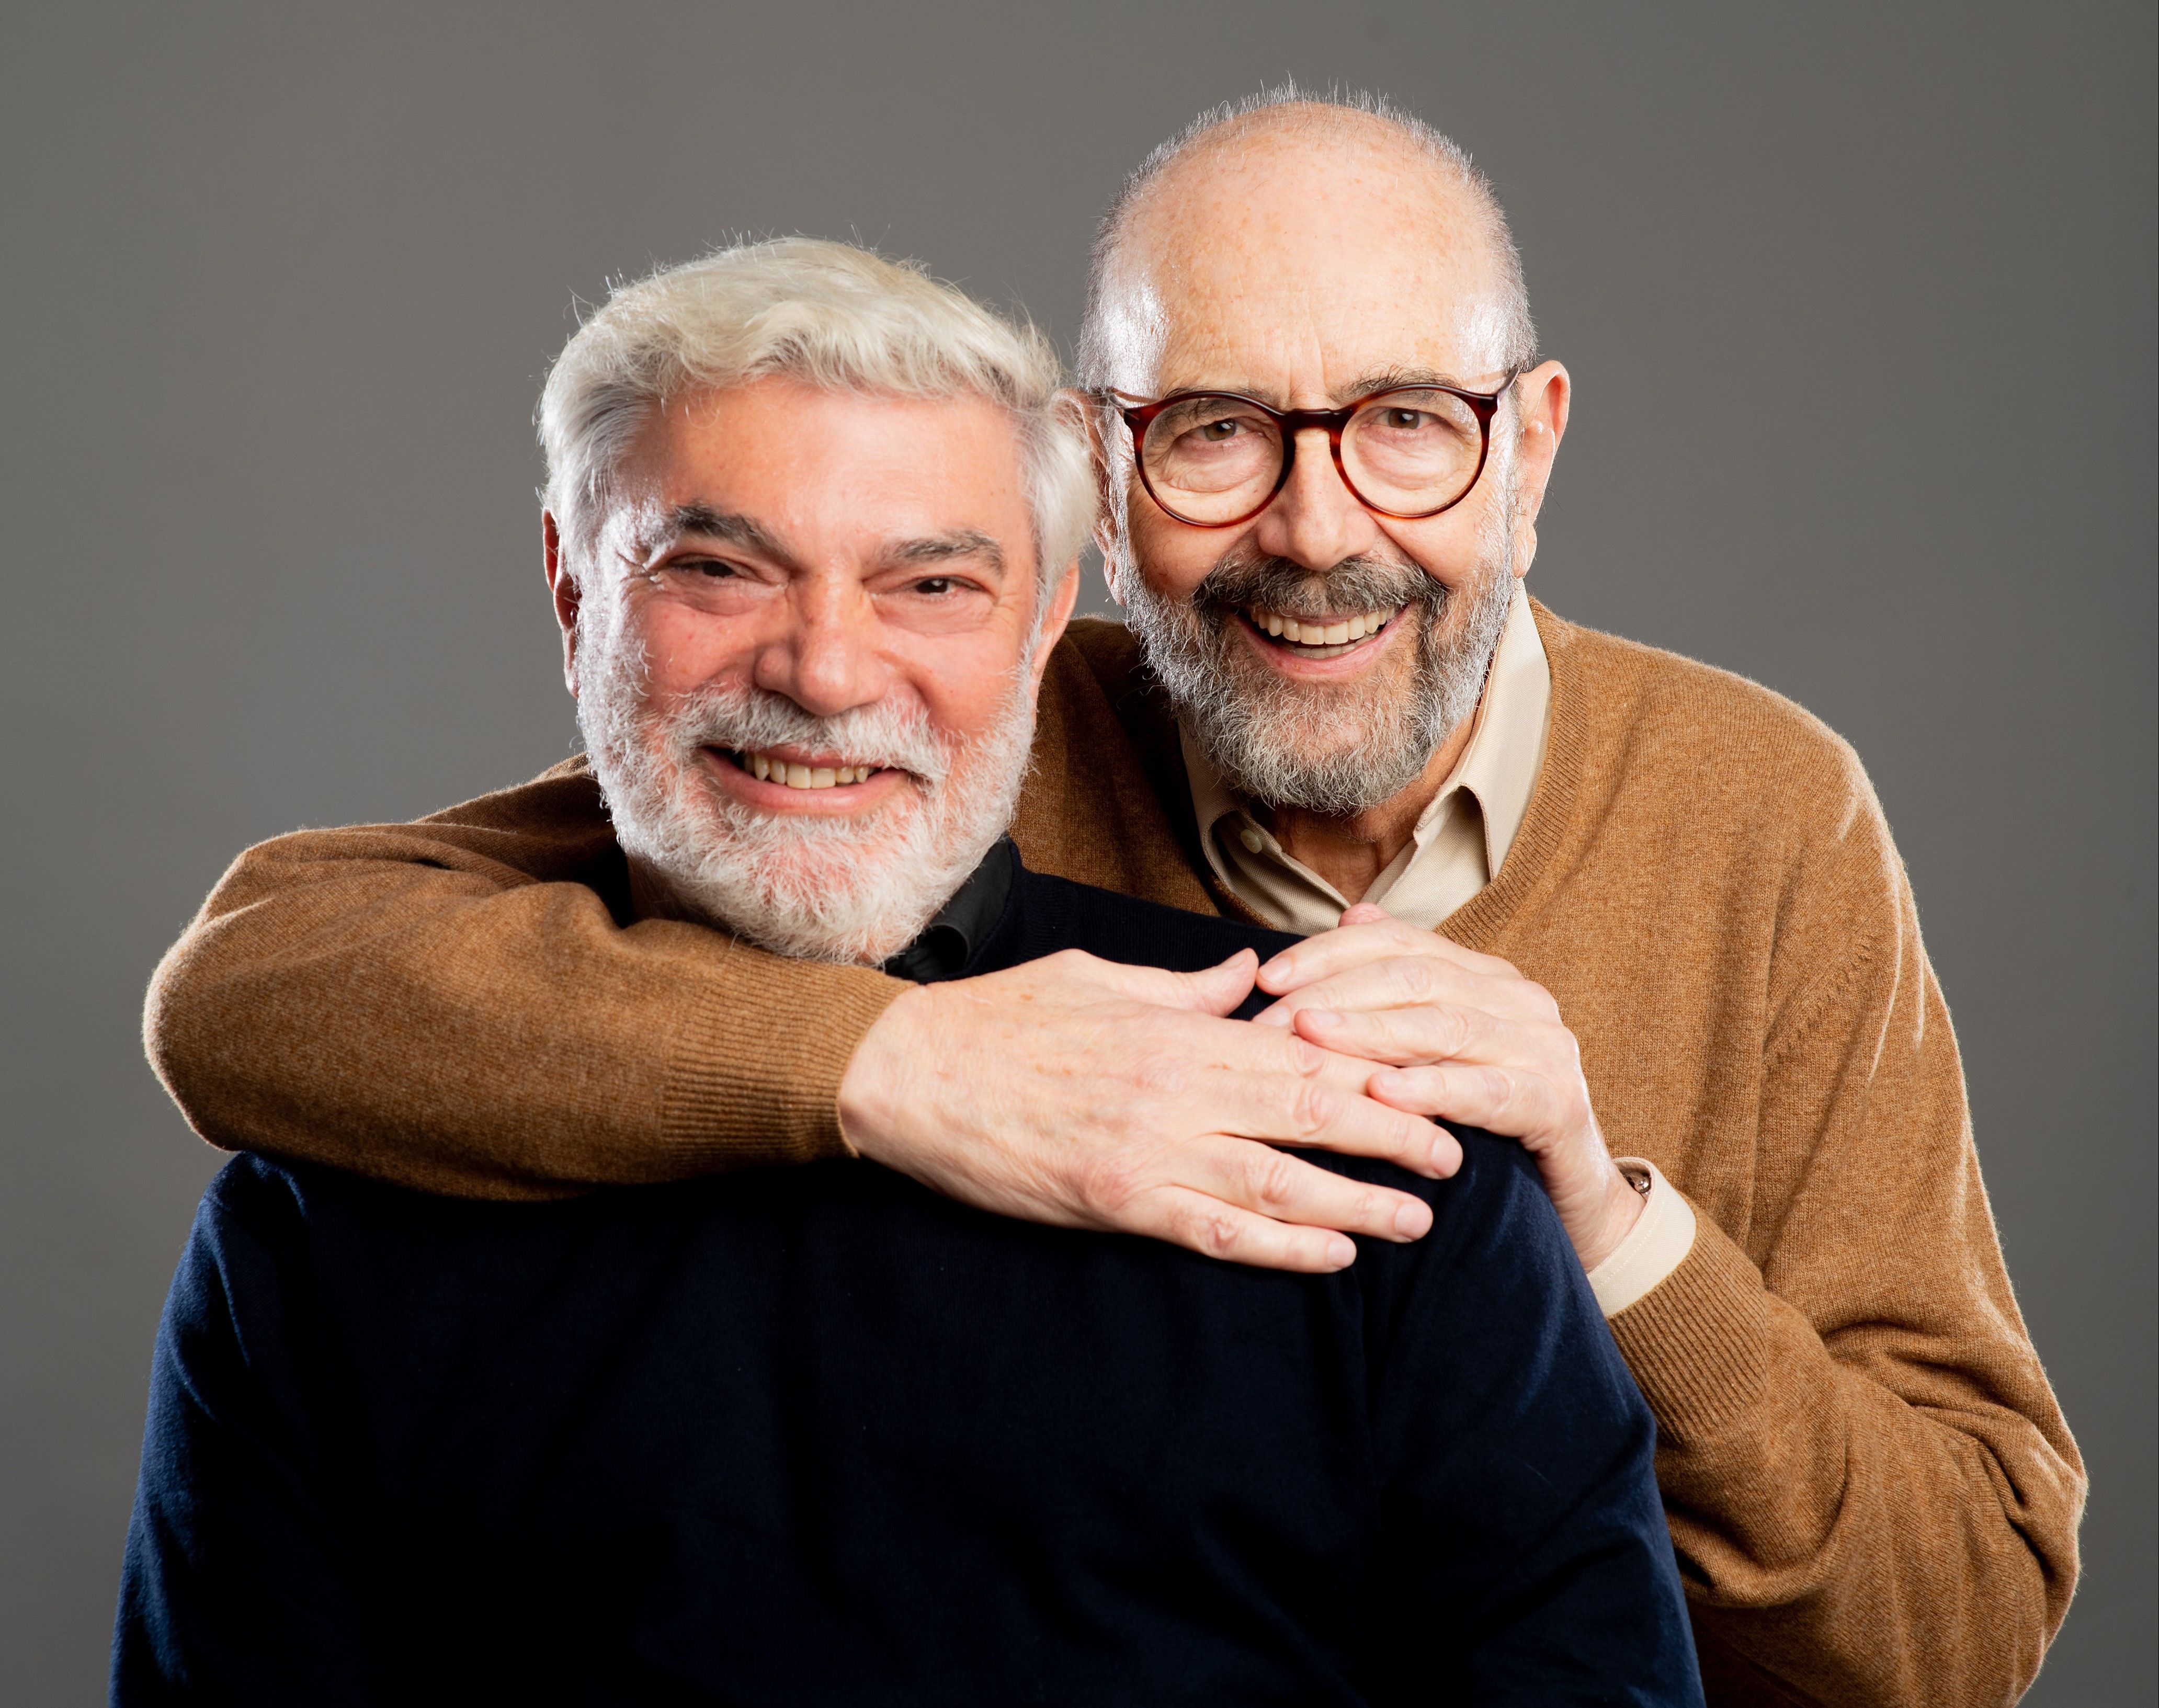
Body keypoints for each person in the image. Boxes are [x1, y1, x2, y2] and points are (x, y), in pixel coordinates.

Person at [142, 88, 2084, 1705]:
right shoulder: (931, 711)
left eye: (1410, 421)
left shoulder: (1765, 817)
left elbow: (1965, 1623)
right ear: (1102, 468)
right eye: (1220, 432)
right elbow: (264, 983)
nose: (1318, 531)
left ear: (1531, 443)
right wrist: (900, 1058)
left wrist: (1601, 1220)